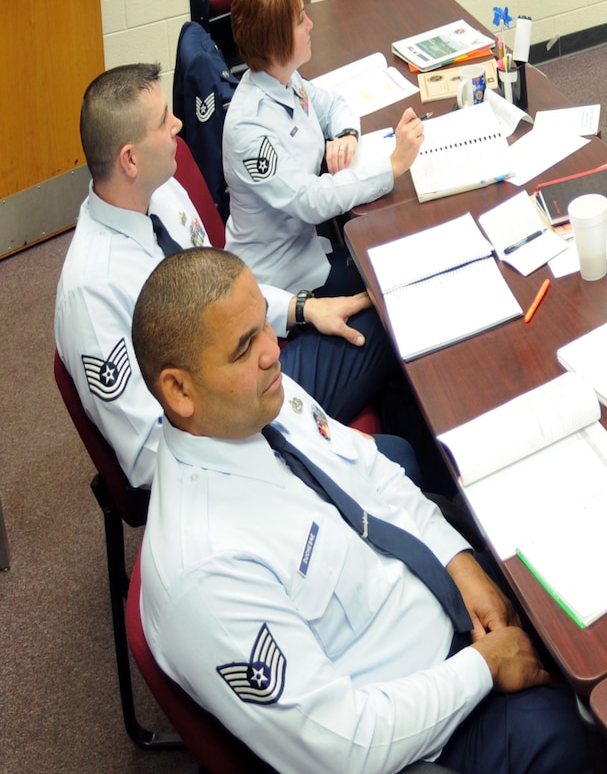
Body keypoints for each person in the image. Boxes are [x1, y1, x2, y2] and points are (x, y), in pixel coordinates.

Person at [134, 248, 596, 774]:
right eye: (245, 346)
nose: (275, 351)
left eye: (266, 328)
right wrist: (483, 668)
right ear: (179, 390)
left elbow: (372, 477)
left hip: (443, 616)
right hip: (411, 756)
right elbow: (341, 747)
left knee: (584, 569)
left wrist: (461, 565)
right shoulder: (205, 572)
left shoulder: (256, 406)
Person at [56, 64, 419, 489]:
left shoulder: (161, 192)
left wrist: (302, 308)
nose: (178, 123)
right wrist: (274, 448)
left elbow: (221, 289)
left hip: (246, 363)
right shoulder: (91, 292)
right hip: (224, 436)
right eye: (163, 121)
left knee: (380, 312)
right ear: (130, 159)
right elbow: (147, 456)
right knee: (399, 452)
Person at [223, 0, 424, 298]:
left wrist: (347, 134)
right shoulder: (249, 129)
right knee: (398, 273)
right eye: (301, 20)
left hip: (308, 243)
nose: (311, 24)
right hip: (280, 278)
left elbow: (333, 104)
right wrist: (393, 166)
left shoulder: (282, 79)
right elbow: (310, 200)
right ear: (276, 41)